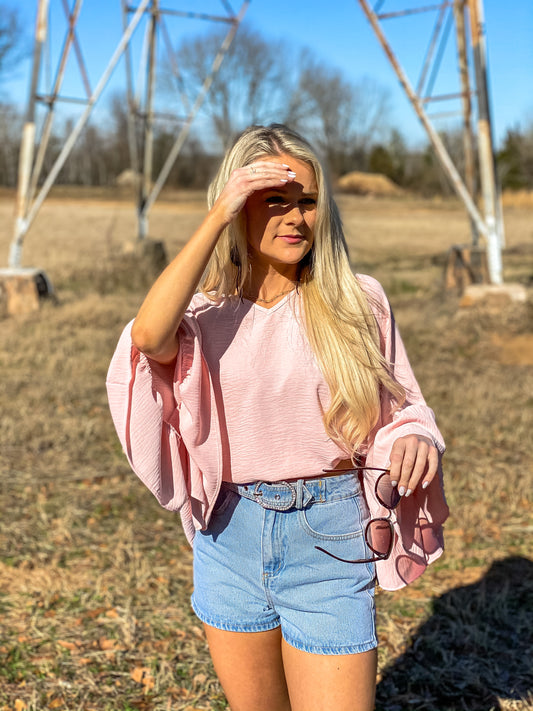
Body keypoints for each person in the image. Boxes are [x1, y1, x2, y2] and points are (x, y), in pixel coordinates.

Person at [106, 124, 449, 711]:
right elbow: (148, 337)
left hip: (331, 535)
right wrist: (217, 215)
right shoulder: (204, 313)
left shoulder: (355, 301)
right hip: (230, 535)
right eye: (274, 201)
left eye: (308, 202)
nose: (295, 218)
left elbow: (404, 404)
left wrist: (416, 435)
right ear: (239, 208)